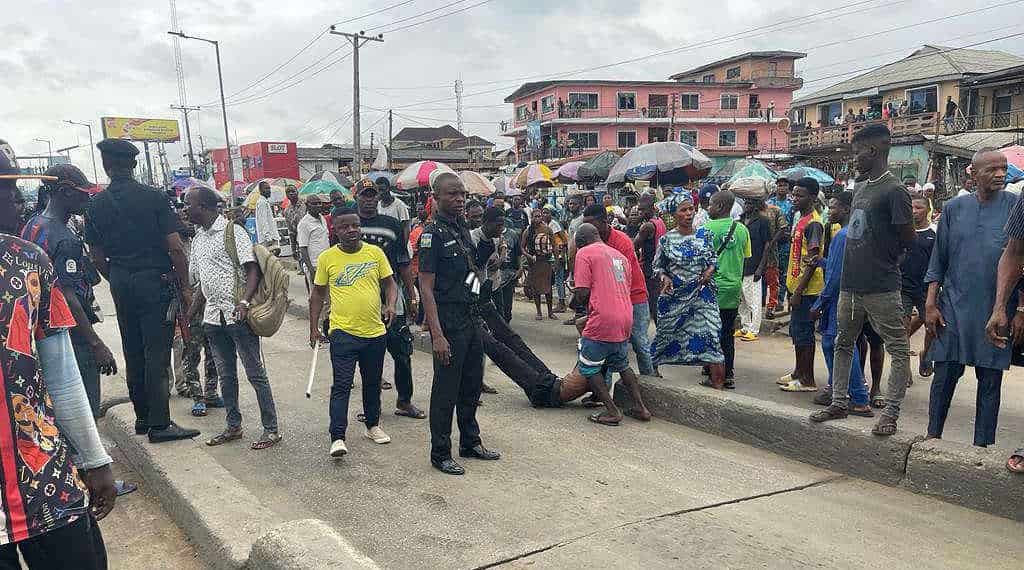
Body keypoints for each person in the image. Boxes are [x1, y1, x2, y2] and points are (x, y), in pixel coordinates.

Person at [0, 142, 116, 568]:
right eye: (7, 189)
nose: (18, 200)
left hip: (43, 477)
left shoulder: (29, 263)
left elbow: (62, 374)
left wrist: (94, 457)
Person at [85, 138, 199, 443]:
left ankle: (143, 418)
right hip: (154, 282)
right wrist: (186, 288)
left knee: (132, 350)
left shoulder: (95, 205)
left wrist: (120, 277)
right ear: (133, 165)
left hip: (121, 281)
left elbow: (96, 257)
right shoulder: (153, 198)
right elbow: (175, 248)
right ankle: (160, 424)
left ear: (107, 166)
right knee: (156, 352)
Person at [810, 124, 915, 437]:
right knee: (843, 342)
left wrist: (886, 264)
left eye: (856, 153)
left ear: (873, 151)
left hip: (882, 287)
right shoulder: (862, 186)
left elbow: (908, 241)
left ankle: (891, 414)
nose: (853, 158)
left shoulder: (894, 190)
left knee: (897, 348)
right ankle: (840, 402)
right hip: (850, 286)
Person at [924, 149, 1016, 447]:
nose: (1000, 174)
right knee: (944, 374)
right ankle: (932, 435)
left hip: (996, 308)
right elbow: (939, 259)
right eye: (992, 169)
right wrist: (930, 303)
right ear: (973, 174)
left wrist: (1021, 309)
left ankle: (982, 445)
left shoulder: (1016, 206)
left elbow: (1021, 259)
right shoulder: (953, 208)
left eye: (1003, 169)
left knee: (990, 380)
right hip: (953, 305)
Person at [184, 187, 281, 450]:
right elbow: (202, 281)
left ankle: (271, 430)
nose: (185, 209)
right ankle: (233, 426)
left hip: (238, 316)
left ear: (204, 207)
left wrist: (244, 302)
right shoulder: (198, 239)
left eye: (188, 204)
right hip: (214, 318)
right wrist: (191, 314)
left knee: (255, 373)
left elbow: (252, 270)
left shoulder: (232, 232)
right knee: (226, 375)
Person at [418, 172, 500, 476]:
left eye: (462, 194)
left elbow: (467, 275)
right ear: (436, 198)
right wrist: (437, 335)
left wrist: (479, 289)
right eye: (452, 194)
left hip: (469, 317)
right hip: (447, 320)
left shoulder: (463, 228)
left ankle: (470, 441)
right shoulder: (432, 234)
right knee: (446, 391)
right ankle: (440, 452)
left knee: (470, 385)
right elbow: (426, 286)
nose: (459, 199)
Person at [21, 165, 117, 418]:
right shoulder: (63, 237)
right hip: (72, 336)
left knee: (56, 408)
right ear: (65, 192)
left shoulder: (34, 225)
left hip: (41, 331)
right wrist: (96, 344)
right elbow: (67, 296)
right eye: (84, 193)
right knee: (84, 410)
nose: (89, 198)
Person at [310, 208, 398, 458]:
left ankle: (373, 425)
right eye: (344, 227)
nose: (351, 230)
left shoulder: (375, 253)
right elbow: (317, 293)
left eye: (355, 225)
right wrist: (313, 327)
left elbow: (390, 283)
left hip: (374, 332)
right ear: (335, 230)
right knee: (341, 386)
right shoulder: (328, 258)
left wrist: (390, 304)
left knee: (372, 383)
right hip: (342, 332)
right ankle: (337, 436)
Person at [354, 179, 424, 418]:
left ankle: (404, 402)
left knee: (402, 353)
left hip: (392, 298)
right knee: (369, 358)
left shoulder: (392, 225)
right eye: (364, 195)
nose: (369, 199)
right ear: (357, 198)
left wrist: (412, 295)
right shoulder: (349, 225)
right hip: (361, 301)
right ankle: (371, 407)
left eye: (372, 195)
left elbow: (404, 262)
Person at [571, 223, 651, 425]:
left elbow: (582, 292)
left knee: (588, 367)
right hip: (625, 316)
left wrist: (576, 293)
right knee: (622, 365)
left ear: (580, 242)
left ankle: (612, 411)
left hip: (602, 318)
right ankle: (641, 408)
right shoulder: (619, 256)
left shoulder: (584, 253)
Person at [650, 195, 727, 388]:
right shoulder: (666, 240)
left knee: (712, 333)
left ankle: (717, 383)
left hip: (702, 294)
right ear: (674, 214)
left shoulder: (704, 234)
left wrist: (709, 271)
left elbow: (713, 260)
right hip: (675, 297)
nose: (688, 214)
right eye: (683, 210)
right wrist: (664, 277)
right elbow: (657, 267)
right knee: (665, 334)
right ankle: (651, 373)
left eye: (691, 209)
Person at [808, 192, 873, 415]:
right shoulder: (855, 234)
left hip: (838, 299)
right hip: (852, 296)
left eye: (833, 207)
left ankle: (857, 396)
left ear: (846, 210)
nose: (829, 211)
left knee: (835, 344)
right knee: (843, 344)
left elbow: (836, 276)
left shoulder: (842, 236)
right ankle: (843, 390)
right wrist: (823, 262)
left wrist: (820, 303)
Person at [582, 205, 655, 377]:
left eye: (592, 224)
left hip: (634, 296)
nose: (589, 229)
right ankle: (602, 390)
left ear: (605, 221)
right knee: (604, 343)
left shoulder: (622, 242)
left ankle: (650, 380)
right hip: (609, 299)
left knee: (639, 342)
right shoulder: (590, 242)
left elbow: (620, 278)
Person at [778, 178, 825, 392]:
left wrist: (798, 291)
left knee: (805, 334)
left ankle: (807, 379)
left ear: (813, 198)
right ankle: (798, 371)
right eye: (794, 194)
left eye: (800, 195)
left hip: (807, 290)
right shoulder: (800, 218)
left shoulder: (814, 224)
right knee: (797, 332)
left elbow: (813, 261)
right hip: (795, 285)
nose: (794, 199)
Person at [700, 191, 750, 384]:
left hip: (711, 288)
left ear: (720, 206)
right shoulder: (742, 230)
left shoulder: (706, 229)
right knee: (727, 333)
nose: (707, 208)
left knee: (711, 332)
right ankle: (727, 374)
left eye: (710, 204)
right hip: (733, 288)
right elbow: (744, 259)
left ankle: (714, 375)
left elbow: (699, 262)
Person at [901, 195, 937, 377]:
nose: (914, 211)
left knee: (932, 326)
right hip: (903, 287)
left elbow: (939, 262)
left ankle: (926, 354)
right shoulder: (902, 231)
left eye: (919, 208)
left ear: (927, 210)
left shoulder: (935, 233)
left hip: (927, 289)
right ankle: (903, 368)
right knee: (902, 327)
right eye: (912, 207)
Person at [473, 207, 521, 323]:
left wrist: (501, 259)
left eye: (502, 225)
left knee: (502, 316)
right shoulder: (473, 239)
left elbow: (503, 243)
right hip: (477, 286)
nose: (501, 229)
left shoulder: (496, 236)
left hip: (495, 283)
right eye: (498, 225)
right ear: (487, 223)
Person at [736, 195, 771, 341]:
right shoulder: (739, 221)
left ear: (757, 205)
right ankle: (745, 326)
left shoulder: (763, 221)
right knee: (742, 299)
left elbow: (767, 244)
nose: (747, 204)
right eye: (746, 202)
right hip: (740, 265)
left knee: (754, 300)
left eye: (751, 202)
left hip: (755, 265)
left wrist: (761, 267)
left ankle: (754, 329)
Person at [522, 208, 557, 320]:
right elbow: (522, 247)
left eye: (539, 216)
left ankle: (550, 312)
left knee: (548, 288)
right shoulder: (528, 231)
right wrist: (528, 256)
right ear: (531, 218)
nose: (537, 218)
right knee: (536, 288)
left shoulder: (547, 229)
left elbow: (554, 245)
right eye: (535, 216)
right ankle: (539, 312)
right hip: (534, 263)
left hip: (546, 262)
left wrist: (556, 261)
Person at [767, 178, 795, 315]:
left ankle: (780, 300)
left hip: (785, 242)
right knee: (771, 272)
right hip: (772, 243)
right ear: (776, 187)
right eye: (780, 185)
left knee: (784, 272)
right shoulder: (769, 204)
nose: (782, 188)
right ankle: (769, 301)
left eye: (785, 185)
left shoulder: (792, 205)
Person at [283, 185, 305, 275]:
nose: (291, 193)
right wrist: (293, 249)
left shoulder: (305, 204)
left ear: (297, 192)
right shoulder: (287, 210)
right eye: (288, 192)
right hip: (298, 238)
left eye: (293, 191)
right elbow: (291, 231)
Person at [254, 181, 281, 249]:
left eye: (269, 188)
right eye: (266, 188)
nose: (269, 191)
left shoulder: (264, 201)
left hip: (270, 237)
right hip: (268, 239)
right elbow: (263, 221)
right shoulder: (262, 202)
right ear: (260, 190)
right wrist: (268, 237)